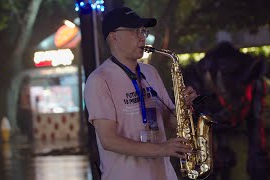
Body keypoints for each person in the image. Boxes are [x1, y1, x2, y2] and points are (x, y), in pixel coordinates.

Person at [84, 7, 198, 180]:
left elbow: (170, 121)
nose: (142, 36)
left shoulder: (150, 72)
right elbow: (109, 140)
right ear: (114, 36)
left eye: (143, 31)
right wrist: (162, 149)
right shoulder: (99, 80)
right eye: (134, 31)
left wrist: (184, 107)